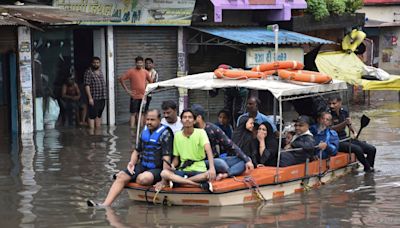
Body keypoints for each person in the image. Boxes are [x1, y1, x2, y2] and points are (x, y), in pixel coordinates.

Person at [87, 109, 173, 207]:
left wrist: (164, 180)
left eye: (152, 120)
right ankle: (105, 205)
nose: (149, 122)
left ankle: (132, 179)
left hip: (157, 169)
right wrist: (131, 163)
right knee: (121, 176)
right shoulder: (144, 131)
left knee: (143, 179)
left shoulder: (166, 134)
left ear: (159, 120)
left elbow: (167, 157)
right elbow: (137, 151)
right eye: (147, 119)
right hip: (143, 166)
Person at [191, 104, 254, 181]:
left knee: (245, 159)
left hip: (215, 159)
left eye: (191, 117)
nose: (189, 120)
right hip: (200, 162)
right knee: (221, 164)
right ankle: (228, 171)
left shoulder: (212, 128)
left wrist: (247, 160)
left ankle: (226, 174)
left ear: (199, 117)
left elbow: (230, 145)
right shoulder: (189, 130)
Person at [159, 109, 216, 192]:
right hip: (183, 170)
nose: (187, 119)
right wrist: (173, 165)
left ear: (194, 120)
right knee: (164, 173)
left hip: (199, 169)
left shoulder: (201, 132)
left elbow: (209, 151)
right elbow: (176, 158)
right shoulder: (177, 135)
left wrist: (212, 168)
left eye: (190, 117)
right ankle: (198, 184)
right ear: (181, 121)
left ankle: (179, 182)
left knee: (208, 174)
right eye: (184, 117)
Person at [328, 95, 376, 172]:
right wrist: (345, 123)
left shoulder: (344, 111)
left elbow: (349, 124)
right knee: (358, 149)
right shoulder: (328, 115)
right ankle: (368, 169)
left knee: (372, 149)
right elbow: (331, 129)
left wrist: (354, 132)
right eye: (330, 104)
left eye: (334, 103)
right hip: (336, 141)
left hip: (345, 138)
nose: (331, 106)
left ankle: (368, 169)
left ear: (340, 103)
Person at [119, 56, 153, 128]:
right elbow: (121, 79)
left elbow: (151, 82)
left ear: (143, 63)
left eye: (141, 63)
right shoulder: (131, 71)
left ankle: (140, 129)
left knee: (141, 113)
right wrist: (127, 90)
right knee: (133, 114)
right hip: (134, 96)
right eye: (138, 63)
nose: (139, 64)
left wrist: (147, 90)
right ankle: (132, 130)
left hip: (143, 97)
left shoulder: (145, 72)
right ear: (135, 63)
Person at [84, 56, 107, 130]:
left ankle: (97, 132)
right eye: (94, 63)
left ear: (99, 63)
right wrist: (90, 98)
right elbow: (86, 85)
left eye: (97, 63)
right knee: (92, 115)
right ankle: (91, 133)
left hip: (102, 97)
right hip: (94, 98)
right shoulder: (88, 72)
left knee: (99, 115)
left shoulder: (100, 72)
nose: (96, 64)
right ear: (92, 63)